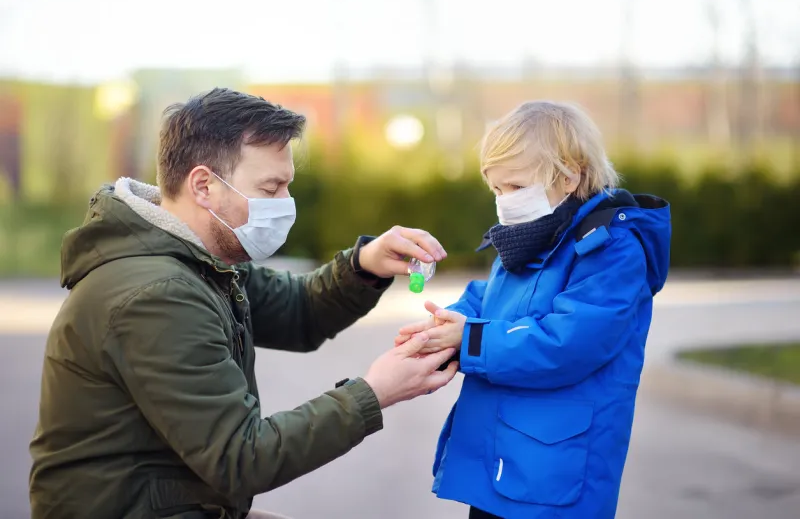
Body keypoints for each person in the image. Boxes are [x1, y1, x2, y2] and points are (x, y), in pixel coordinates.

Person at [28, 88, 459, 519]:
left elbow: (298, 313)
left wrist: (366, 264)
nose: (285, 205)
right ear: (204, 186)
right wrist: (374, 393)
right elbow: (242, 457)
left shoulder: (197, 257)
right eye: (271, 188)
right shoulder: (158, 294)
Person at [396, 101, 671, 519]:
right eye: (497, 189)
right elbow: (491, 299)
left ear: (569, 174)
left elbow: (569, 342)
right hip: (505, 458)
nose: (505, 201)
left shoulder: (612, 250)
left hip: (552, 469)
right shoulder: (532, 235)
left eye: (517, 187)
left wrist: (468, 338)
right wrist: (443, 323)